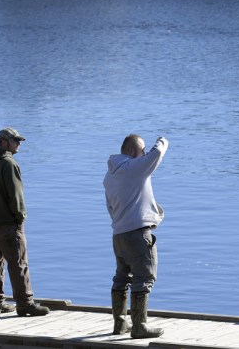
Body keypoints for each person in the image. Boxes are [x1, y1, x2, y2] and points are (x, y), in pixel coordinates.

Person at [103, 134, 168, 339]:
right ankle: (140, 326)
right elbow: (157, 153)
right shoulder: (133, 168)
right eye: (142, 151)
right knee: (144, 277)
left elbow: (111, 206)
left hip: (119, 234)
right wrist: (163, 139)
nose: (144, 155)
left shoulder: (110, 175)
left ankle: (120, 322)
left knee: (122, 277)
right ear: (132, 152)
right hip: (138, 234)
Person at [0, 127, 50, 317]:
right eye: (15, 140)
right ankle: (25, 304)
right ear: (3, 142)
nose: (18, 143)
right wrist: (20, 219)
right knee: (19, 262)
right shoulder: (9, 164)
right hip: (7, 223)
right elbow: (16, 198)